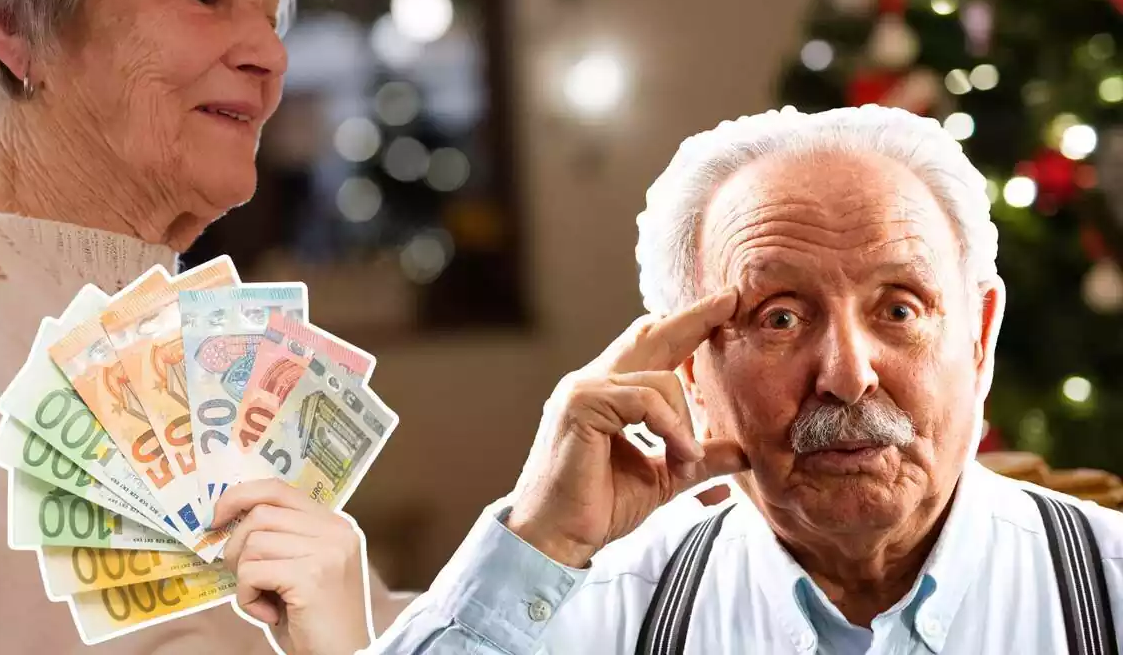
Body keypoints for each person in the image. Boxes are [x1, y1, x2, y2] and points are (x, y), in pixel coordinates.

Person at [368, 105, 1123, 654]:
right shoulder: (589, 616)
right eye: (781, 319)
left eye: (898, 308)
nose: (849, 377)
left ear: (980, 337)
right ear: (691, 367)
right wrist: (542, 536)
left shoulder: (1110, 589)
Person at [0, 0, 409, 653]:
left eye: (272, 15)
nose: (270, 56)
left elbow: (384, 630)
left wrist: (541, 539)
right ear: (16, 29)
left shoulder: (185, 350)